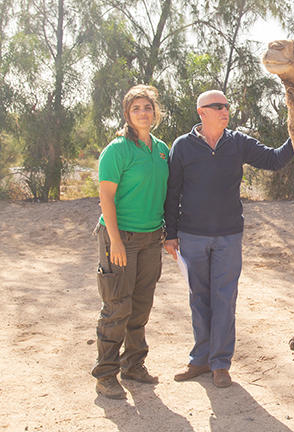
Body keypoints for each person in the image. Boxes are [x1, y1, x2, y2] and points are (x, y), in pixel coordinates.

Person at [164, 90, 294, 388]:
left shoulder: (238, 142)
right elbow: (172, 192)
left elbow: (274, 160)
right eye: (218, 106)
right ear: (202, 112)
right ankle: (200, 360)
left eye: (226, 106)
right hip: (192, 235)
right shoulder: (182, 146)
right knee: (199, 299)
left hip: (229, 236)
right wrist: (170, 234)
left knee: (224, 299)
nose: (225, 111)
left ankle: (220, 364)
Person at [92, 85, 169, 399]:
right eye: (136, 108)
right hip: (120, 236)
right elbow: (106, 197)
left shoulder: (161, 149)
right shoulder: (117, 150)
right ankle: (105, 375)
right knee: (117, 307)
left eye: (147, 107)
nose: (143, 113)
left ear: (155, 112)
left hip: (152, 238)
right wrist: (115, 241)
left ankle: (133, 364)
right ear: (127, 114)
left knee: (141, 305)